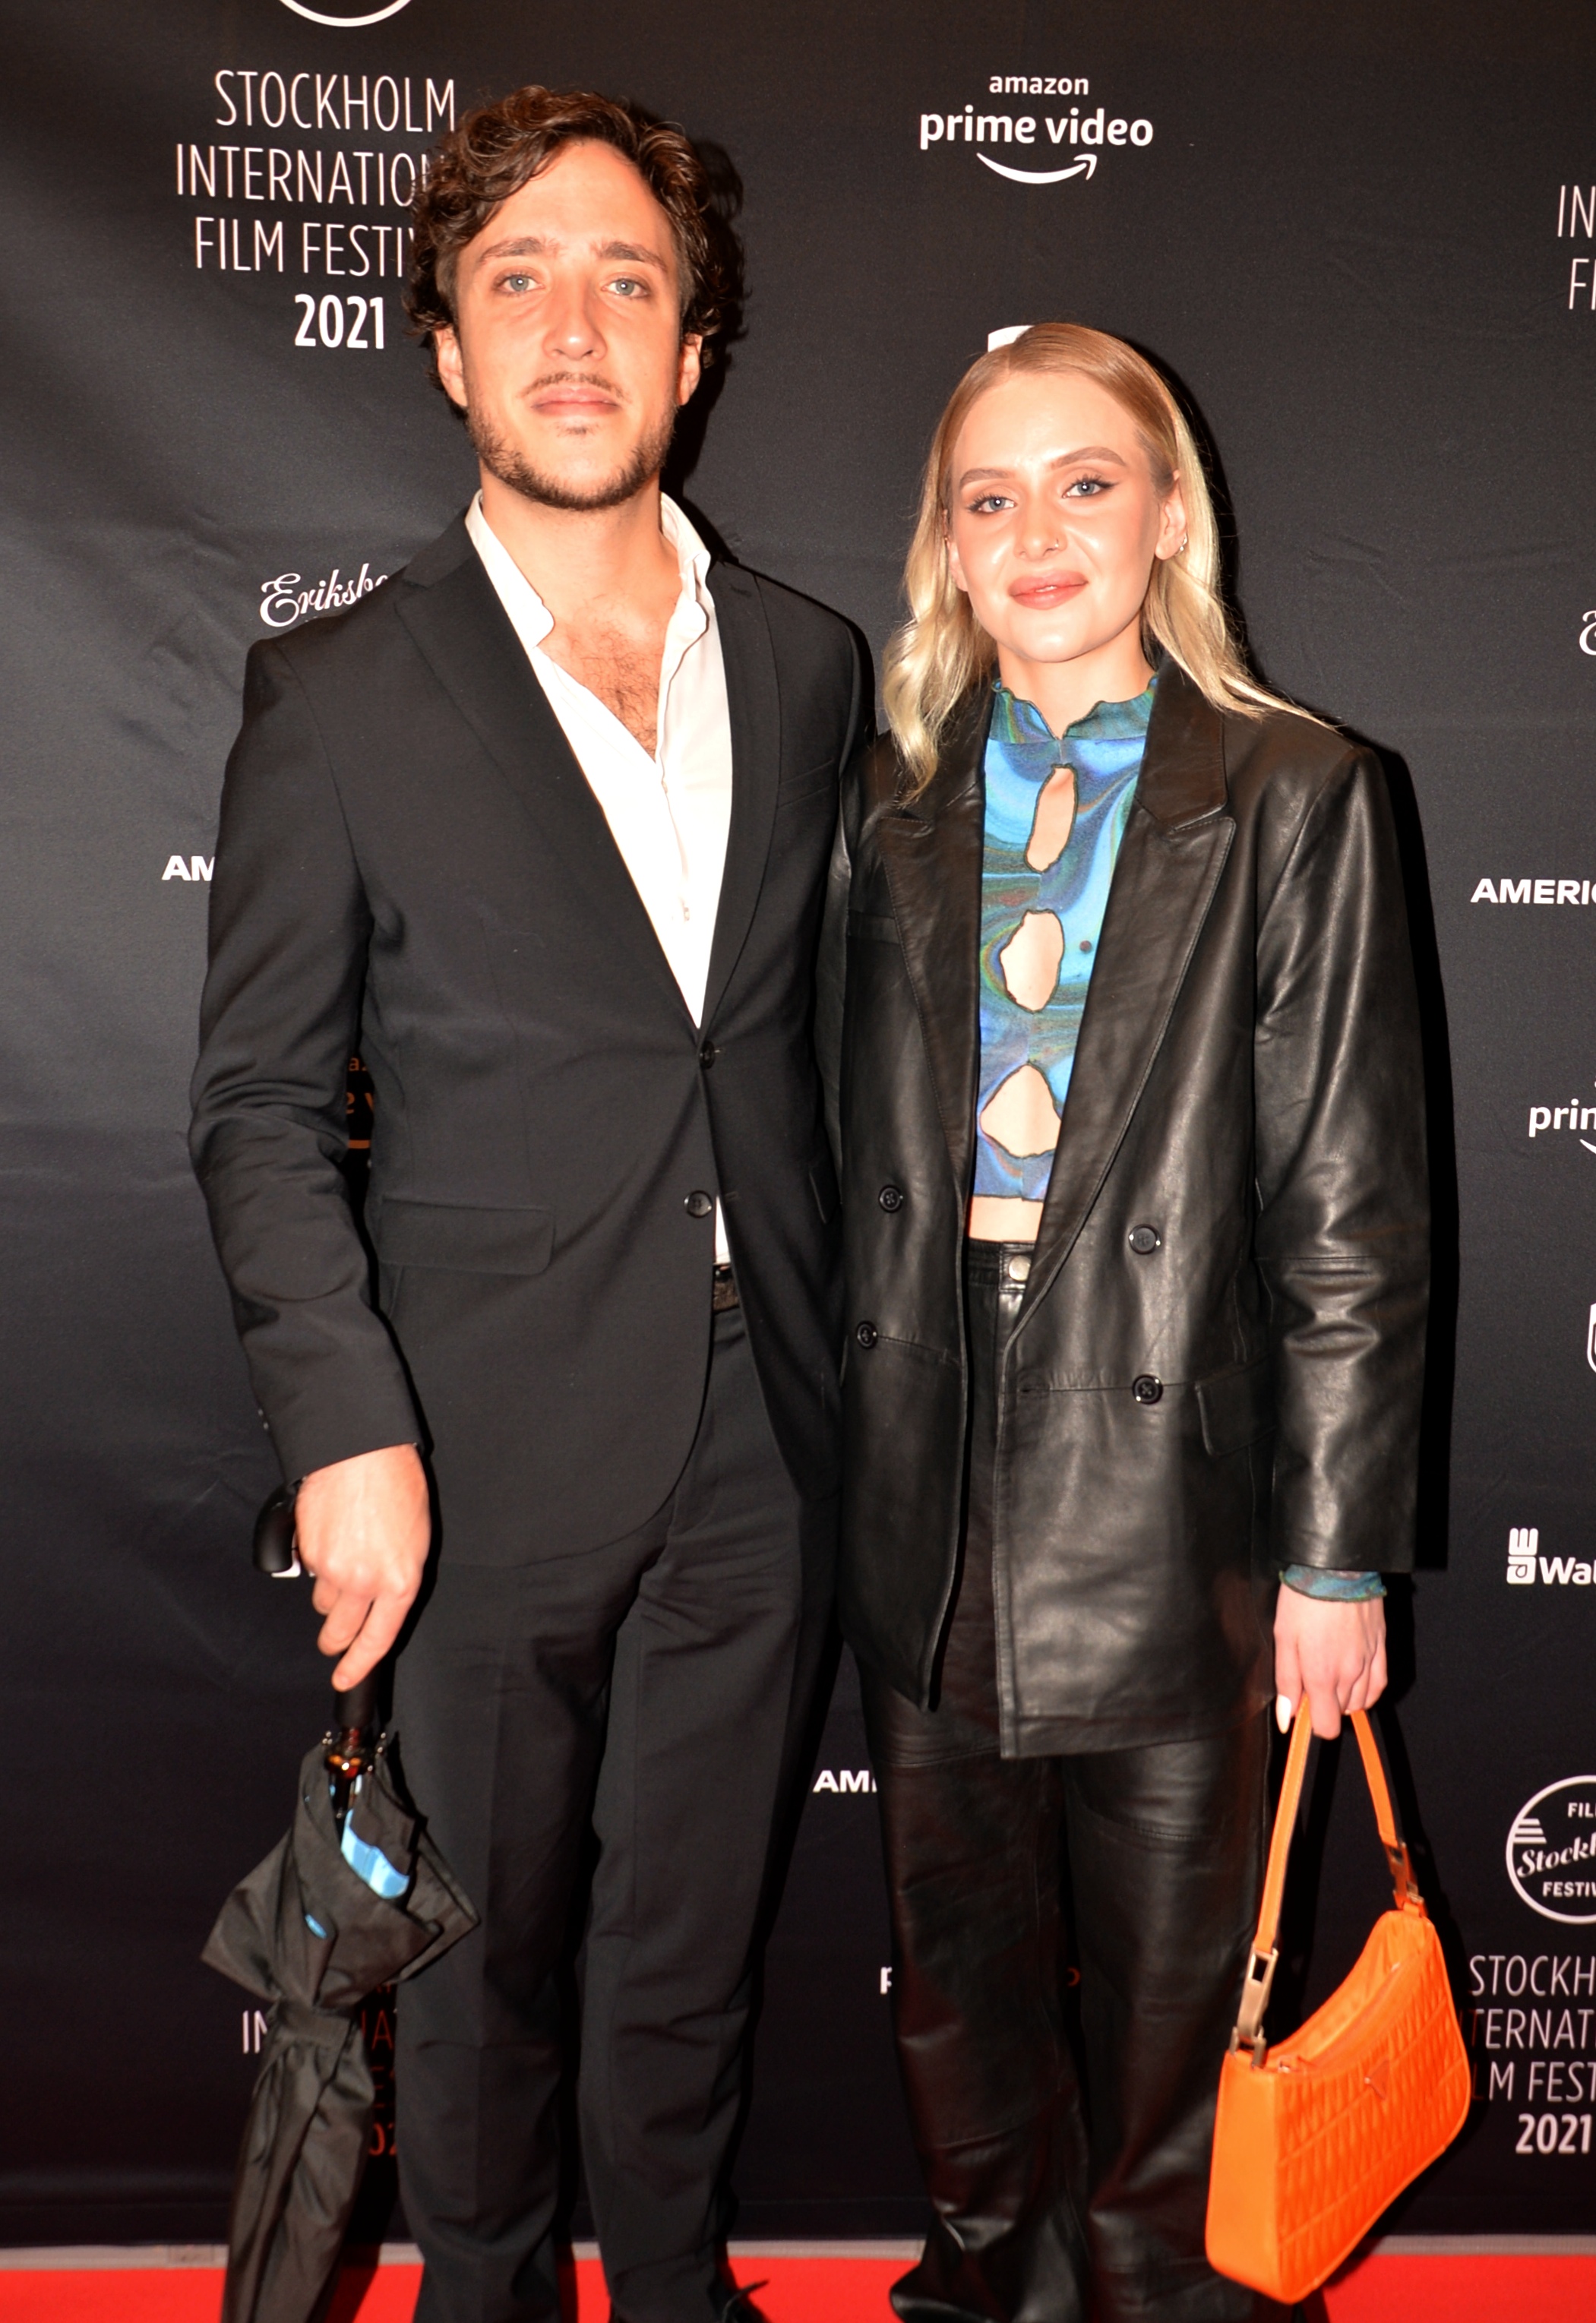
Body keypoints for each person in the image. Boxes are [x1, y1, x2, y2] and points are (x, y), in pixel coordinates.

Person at [190, 85, 866, 2323]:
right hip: (469, 1452)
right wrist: (342, 1425)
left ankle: (673, 2292)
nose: (576, 331)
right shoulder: (334, 694)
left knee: (689, 1964)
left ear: (694, 350)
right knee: (477, 1989)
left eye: (627, 283)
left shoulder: (809, 667)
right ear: (449, 349)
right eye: (520, 282)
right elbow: (258, 1104)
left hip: (770, 1434)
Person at [817, 324, 1427, 2321]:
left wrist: (1337, 1555)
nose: (1038, 533)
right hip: (925, 1476)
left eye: (1086, 483)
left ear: (1170, 511)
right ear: (946, 546)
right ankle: (988, 2292)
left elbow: (1348, 1207)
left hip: (1179, 1503)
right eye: (987, 498)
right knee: (961, 2008)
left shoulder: (1301, 793)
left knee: (1176, 2031)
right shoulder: (886, 800)